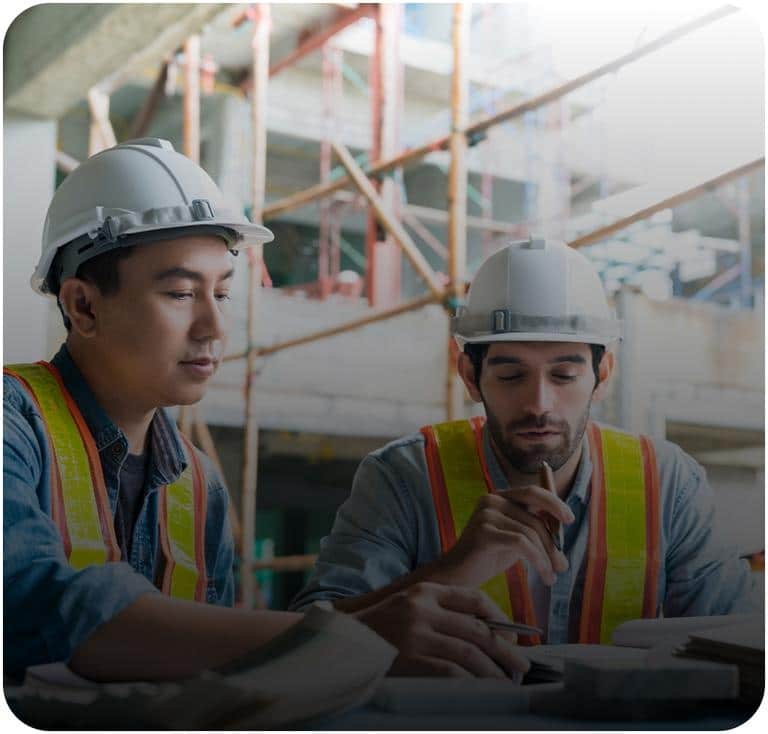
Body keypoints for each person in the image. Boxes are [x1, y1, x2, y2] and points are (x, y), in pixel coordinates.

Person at [4, 138, 529, 684]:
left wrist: (405, 610)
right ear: (82, 305)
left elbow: (225, 664)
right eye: (182, 294)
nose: (213, 327)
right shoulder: (12, 427)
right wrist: (363, 640)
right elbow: (39, 606)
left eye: (223, 295)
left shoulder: (197, 484)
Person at [291, 238, 760, 646]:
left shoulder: (667, 483)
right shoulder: (405, 477)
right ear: (471, 377)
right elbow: (300, 640)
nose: (539, 403)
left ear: (602, 376)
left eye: (564, 374)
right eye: (512, 374)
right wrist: (446, 574)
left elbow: (737, 641)